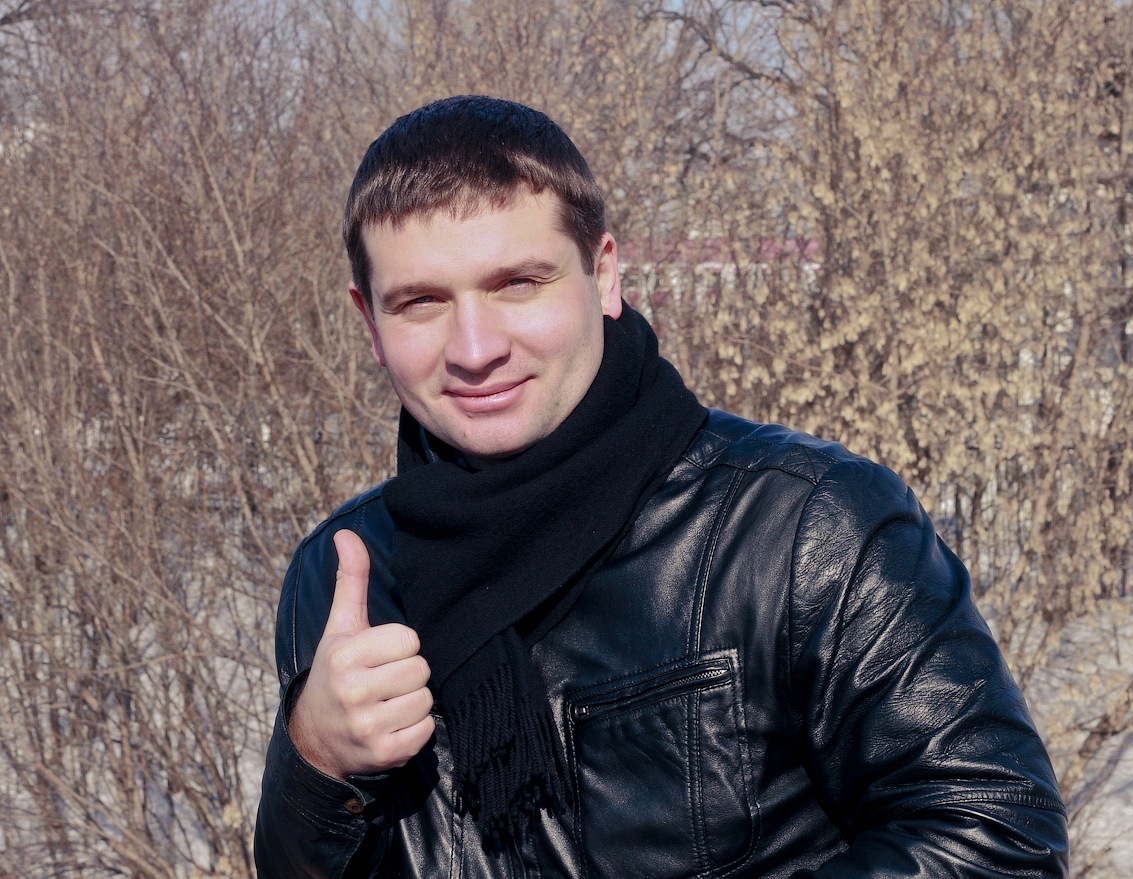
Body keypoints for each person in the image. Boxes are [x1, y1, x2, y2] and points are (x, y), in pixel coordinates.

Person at [255, 95, 1069, 878]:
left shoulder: (803, 523)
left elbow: (1000, 835)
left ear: (604, 275)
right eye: (421, 302)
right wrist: (315, 763)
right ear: (370, 322)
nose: (474, 348)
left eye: (518, 284)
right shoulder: (343, 578)